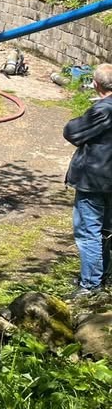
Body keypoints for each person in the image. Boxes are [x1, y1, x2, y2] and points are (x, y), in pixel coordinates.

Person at [63, 62, 112, 297]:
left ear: (96, 84)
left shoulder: (104, 110)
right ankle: (102, 276)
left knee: (88, 231)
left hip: (95, 179)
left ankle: (90, 285)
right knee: (106, 230)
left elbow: (72, 131)